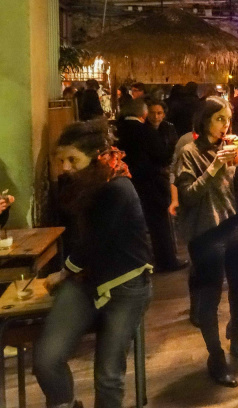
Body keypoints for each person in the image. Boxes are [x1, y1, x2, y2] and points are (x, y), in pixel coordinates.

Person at [34, 120, 153, 408]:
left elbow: (93, 243)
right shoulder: (82, 184)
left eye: (72, 160)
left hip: (125, 285)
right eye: (61, 160)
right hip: (86, 281)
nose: (65, 167)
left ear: (96, 157)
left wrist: (65, 271)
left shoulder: (117, 187)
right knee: (46, 360)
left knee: (108, 376)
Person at [175, 97, 238, 387]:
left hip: (234, 226)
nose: (226, 124)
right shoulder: (189, 152)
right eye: (220, 118)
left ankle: (237, 333)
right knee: (210, 297)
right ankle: (216, 357)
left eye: (228, 119)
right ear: (205, 120)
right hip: (207, 233)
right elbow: (188, 196)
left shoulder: (228, 146)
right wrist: (214, 167)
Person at [116, 99, 183, 273]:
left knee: (135, 223)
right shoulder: (145, 131)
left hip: (128, 182)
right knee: (159, 223)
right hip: (151, 181)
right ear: (144, 114)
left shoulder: (118, 130)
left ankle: (138, 261)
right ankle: (167, 261)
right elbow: (162, 156)